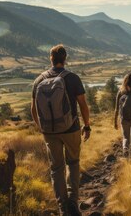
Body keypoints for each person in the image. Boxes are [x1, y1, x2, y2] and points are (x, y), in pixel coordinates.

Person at [31, 44, 90, 216]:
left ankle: (62, 207)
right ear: (65, 59)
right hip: (71, 128)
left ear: (50, 59)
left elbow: (33, 109)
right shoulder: (72, 78)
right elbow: (83, 106)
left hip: (49, 131)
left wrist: (42, 127)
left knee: (56, 169)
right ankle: (73, 202)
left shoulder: (38, 80)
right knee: (73, 162)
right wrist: (87, 125)